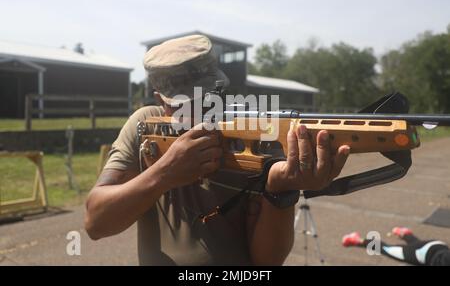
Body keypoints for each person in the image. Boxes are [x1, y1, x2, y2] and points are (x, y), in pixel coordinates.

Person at [84, 34, 351, 265]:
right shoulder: (145, 126)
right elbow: (96, 223)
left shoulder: (251, 134)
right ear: (159, 101)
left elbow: (267, 261)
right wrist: (165, 174)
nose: (200, 110)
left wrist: (281, 190)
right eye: (186, 102)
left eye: (209, 97)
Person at [342, 227, 450, 266]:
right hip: (427, 253)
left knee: (416, 246)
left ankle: (405, 233)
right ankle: (357, 239)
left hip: (439, 247)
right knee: (386, 249)